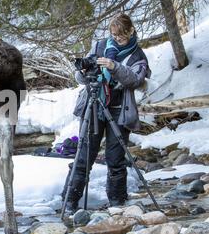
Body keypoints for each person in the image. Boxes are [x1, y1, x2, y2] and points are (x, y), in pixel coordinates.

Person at [61, 13, 151, 212]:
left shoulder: (137, 56)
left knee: (116, 159)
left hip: (119, 109)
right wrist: (83, 72)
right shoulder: (101, 46)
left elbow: (135, 80)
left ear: (131, 31)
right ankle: (69, 202)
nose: (117, 39)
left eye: (121, 35)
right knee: (84, 156)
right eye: (114, 35)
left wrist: (114, 66)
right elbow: (81, 78)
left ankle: (117, 203)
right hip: (93, 105)